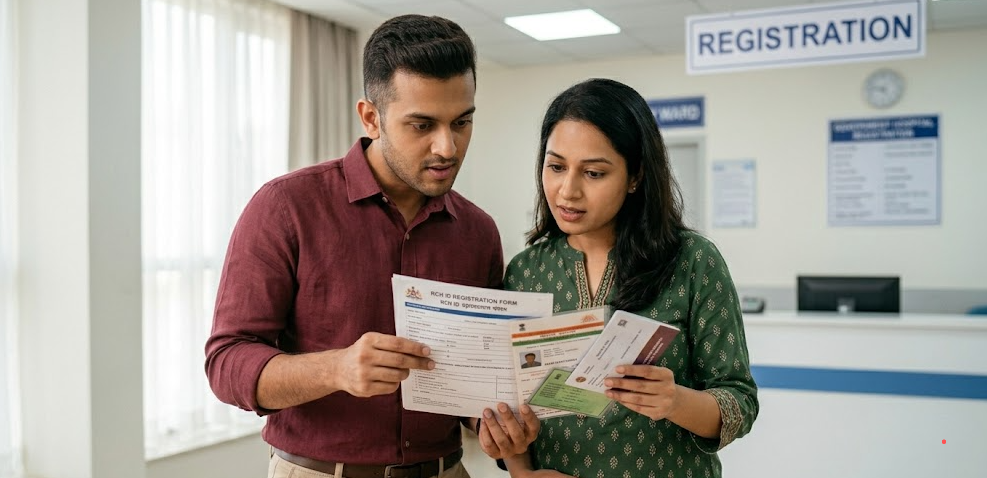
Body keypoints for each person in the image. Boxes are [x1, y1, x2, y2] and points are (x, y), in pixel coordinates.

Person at [204, 14, 534, 478]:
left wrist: (496, 425)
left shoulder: (478, 232)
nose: (448, 147)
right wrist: (336, 369)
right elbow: (226, 362)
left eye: (461, 122)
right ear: (371, 117)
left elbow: (473, 386)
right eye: (422, 125)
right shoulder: (285, 207)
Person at [499, 78, 759, 478]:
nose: (567, 191)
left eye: (594, 173)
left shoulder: (692, 262)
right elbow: (511, 403)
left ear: (635, 176)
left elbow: (739, 404)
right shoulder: (525, 271)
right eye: (556, 167)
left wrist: (675, 401)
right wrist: (521, 471)